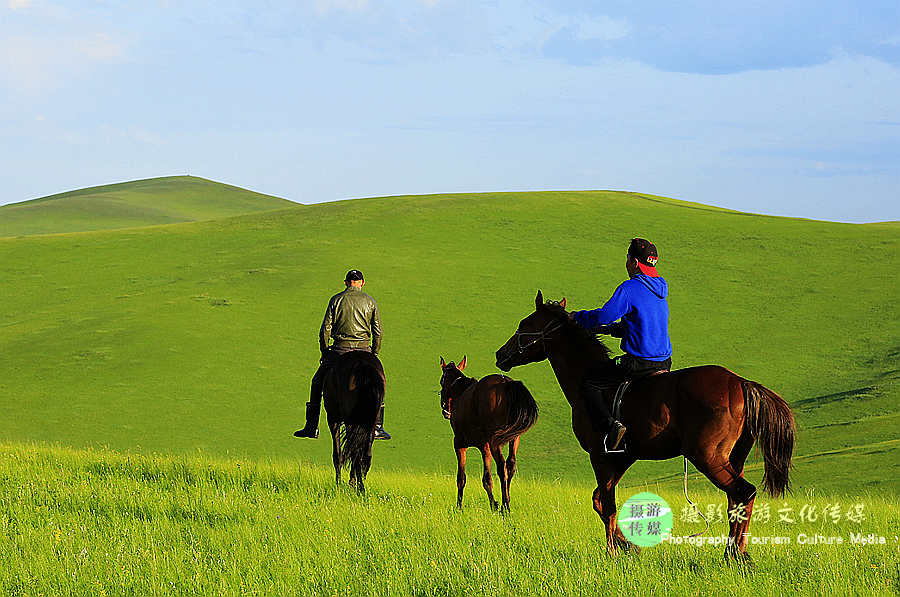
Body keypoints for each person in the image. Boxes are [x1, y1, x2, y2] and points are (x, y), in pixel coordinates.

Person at [569, 238, 672, 450]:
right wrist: (608, 330)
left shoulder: (630, 288)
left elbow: (604, 315)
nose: (626, 263)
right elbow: (636, 327)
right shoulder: (660, 290)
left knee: (589, 383)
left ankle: (612, 429)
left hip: (638, 364)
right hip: (664, 363)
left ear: (634, 262)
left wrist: (577, 318)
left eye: (627, 258)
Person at [293, 269, 391, 440]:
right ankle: (377, 427)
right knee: (380, 382)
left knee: (316, 382)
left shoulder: (336, 300)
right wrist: (374, 353)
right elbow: (378, 332)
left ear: (346, 282)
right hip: (364, 349)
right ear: (362, 283)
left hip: (340, 350)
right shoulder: (370, 302)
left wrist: (324, 351)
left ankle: (311, 426)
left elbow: (325, 330)